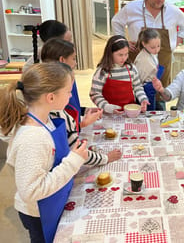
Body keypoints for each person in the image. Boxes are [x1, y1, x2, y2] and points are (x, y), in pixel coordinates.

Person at [0, 62, 88, 243]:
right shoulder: (33, 138)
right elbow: (31, 191)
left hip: (52, 201)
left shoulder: (44, 118)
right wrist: (73, 161)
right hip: (39, 213)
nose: (71, 96)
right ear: (50, 97)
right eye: (68, 92)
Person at [41, 38, 121, 165]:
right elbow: (77, 151)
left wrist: (84, 111)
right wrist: (106, 158)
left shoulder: (44, 105)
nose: (76, 63)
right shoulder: (58, 114)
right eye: (73, 58)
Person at [111, 0, 184, 89]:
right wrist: (123, 42)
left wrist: (176, 43)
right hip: (138, 61)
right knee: (136, 92)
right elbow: (116, 22)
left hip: (163, 61)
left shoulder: (173, 11)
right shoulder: (132, 8)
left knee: (160, 95)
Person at [90, 35, 149, 114]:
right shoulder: (102, 71)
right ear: (110, 53)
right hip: (108, 114)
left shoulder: (131, 69)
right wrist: (107, 107)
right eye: (120, 55)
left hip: (129, 113)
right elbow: (95, 94)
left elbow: (138, 87)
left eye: (126, 54)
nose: (124, 58)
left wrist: (143, 99)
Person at [134, 29, 163, 111]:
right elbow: (139, 81)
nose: (156, 50)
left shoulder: (152, 53)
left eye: (158, 46)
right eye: (153, 47)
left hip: (152, 87)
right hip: (145, 90)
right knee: (147, 112)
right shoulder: (142, 60)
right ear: (144, 44)